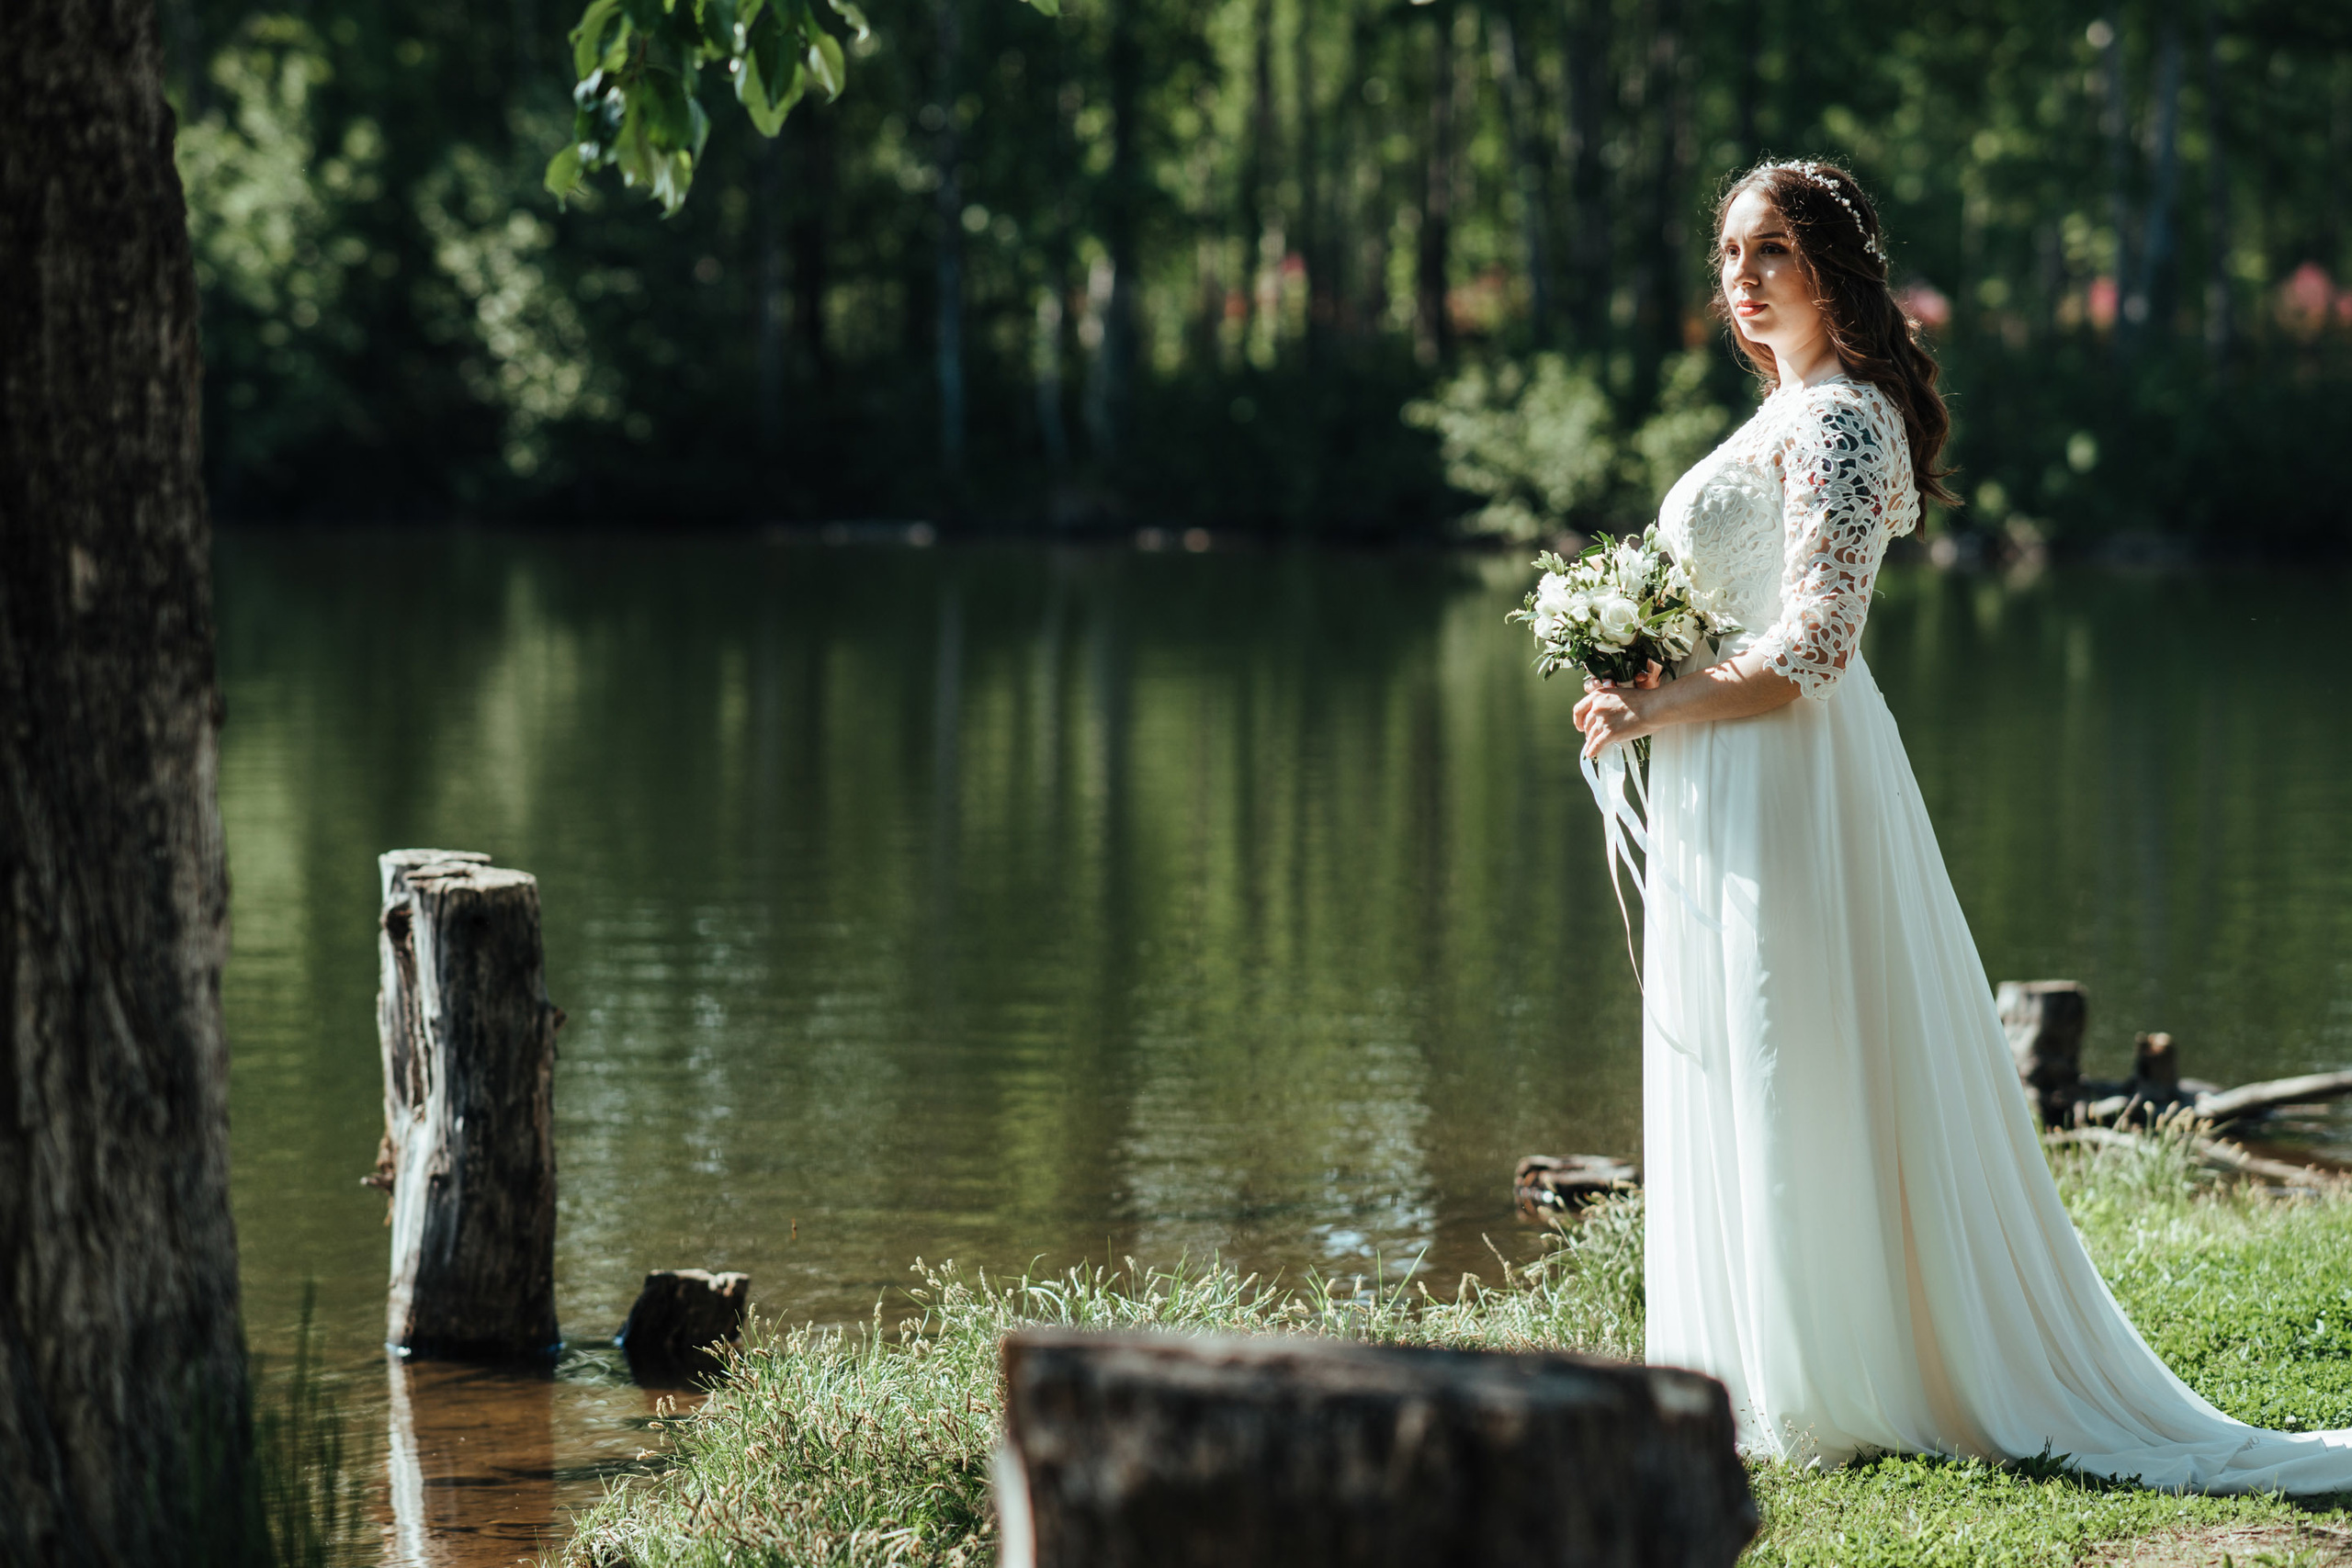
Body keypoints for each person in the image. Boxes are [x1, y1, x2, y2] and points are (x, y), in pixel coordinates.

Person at [1569, 159, 2352, 1489]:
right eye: (1727, 256)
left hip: (1792, 778)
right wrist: (1645, 674)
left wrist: (1662, 709)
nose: (1741, 281)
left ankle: (1838, 1375)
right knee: (1757, 1061)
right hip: (1725, 768)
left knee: (1797, 1056)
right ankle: (1758, 1371)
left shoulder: (1842, 423)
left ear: (1832, 269)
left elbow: (1817, 647)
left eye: (1769, 252)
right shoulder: (1783, 417)